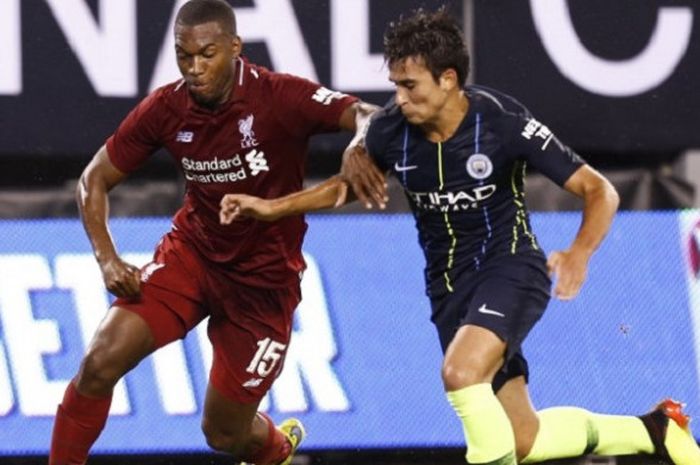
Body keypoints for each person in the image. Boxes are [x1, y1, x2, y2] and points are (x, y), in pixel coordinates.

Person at [219, 8, 700, 465]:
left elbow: (599, 190)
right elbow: (347, 187)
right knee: (523, 439)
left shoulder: (502, 122)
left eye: (409, 86)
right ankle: (653, 431)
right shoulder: (391, 130)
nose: (399, 99)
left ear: (448, 79)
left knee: (460, 374)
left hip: (510, 268)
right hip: (449, 290)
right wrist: (272, 207)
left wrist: (580, 252)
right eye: (394, 86)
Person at [48, 1, 378, 464]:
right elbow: (94, 179)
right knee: (99, 363)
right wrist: (106, 257)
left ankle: (276, 451)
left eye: (207, 54)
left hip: (262, 287)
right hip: (193, 258)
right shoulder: (166, 107)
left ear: (235, 48)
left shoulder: (280, 97)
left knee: (223, 433)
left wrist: (360, 143)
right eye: (184, 56)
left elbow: (370, 113)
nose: (195, 68)